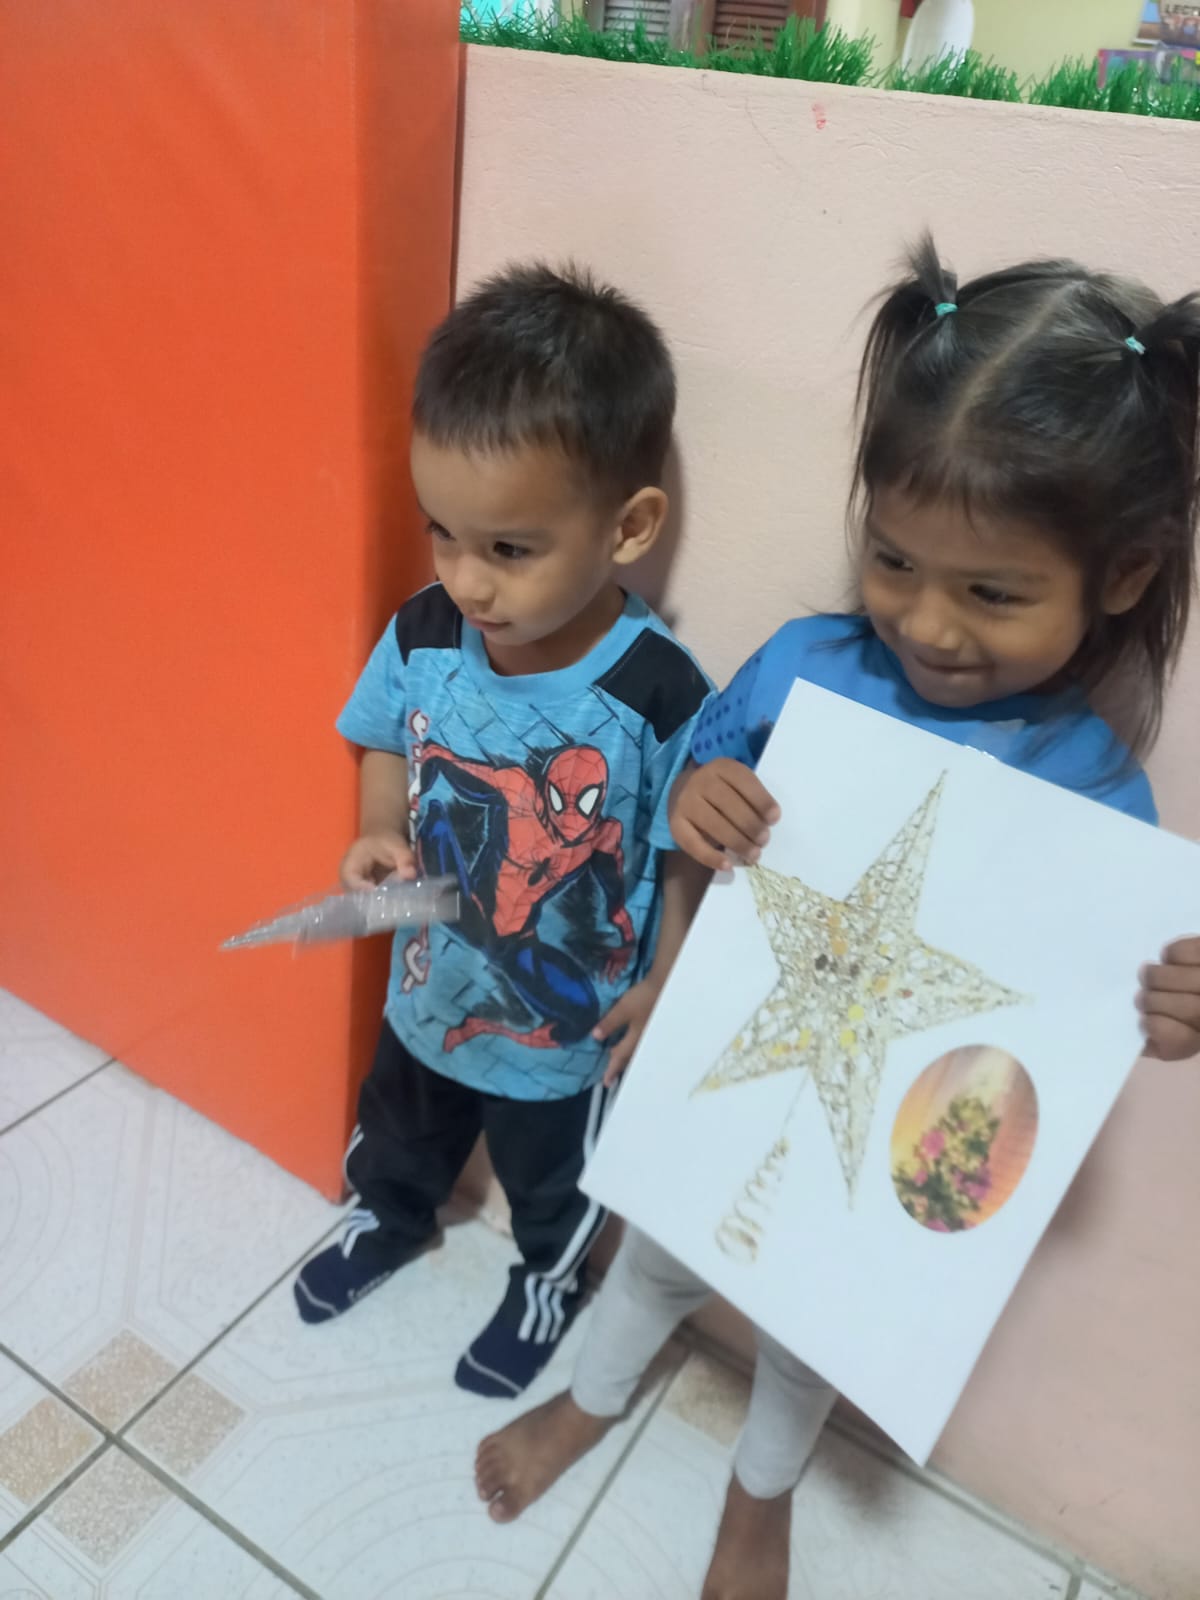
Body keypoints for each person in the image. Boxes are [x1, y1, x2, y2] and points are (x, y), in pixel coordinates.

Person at [474, 237, 1200, 1600]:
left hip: (898, 1132)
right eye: (893, 559)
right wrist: (694, 828)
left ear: (1121, 576)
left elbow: (1094, 1008)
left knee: (815, 1326)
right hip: (732, 1060)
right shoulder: (809, 665)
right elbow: (692, 802)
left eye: (993, 592)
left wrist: (1169, 1010)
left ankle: (762, 1493)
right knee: (658, 1253)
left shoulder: (1097, 793)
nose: (928, 623)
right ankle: (591, 1396)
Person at [293, 264, 711, 1401]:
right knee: (398, 1130)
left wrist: (667, 978)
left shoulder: (661, 693)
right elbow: (384, 734)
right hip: (425, 980)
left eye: (509, 550)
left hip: (565, 1027)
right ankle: (386, 1221)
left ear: (628, 527)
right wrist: (377, 830)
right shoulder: (424, 631)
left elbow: (688, 852)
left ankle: (548, 1285)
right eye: (443, 533)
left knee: (552, 1185)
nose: (467, 581)